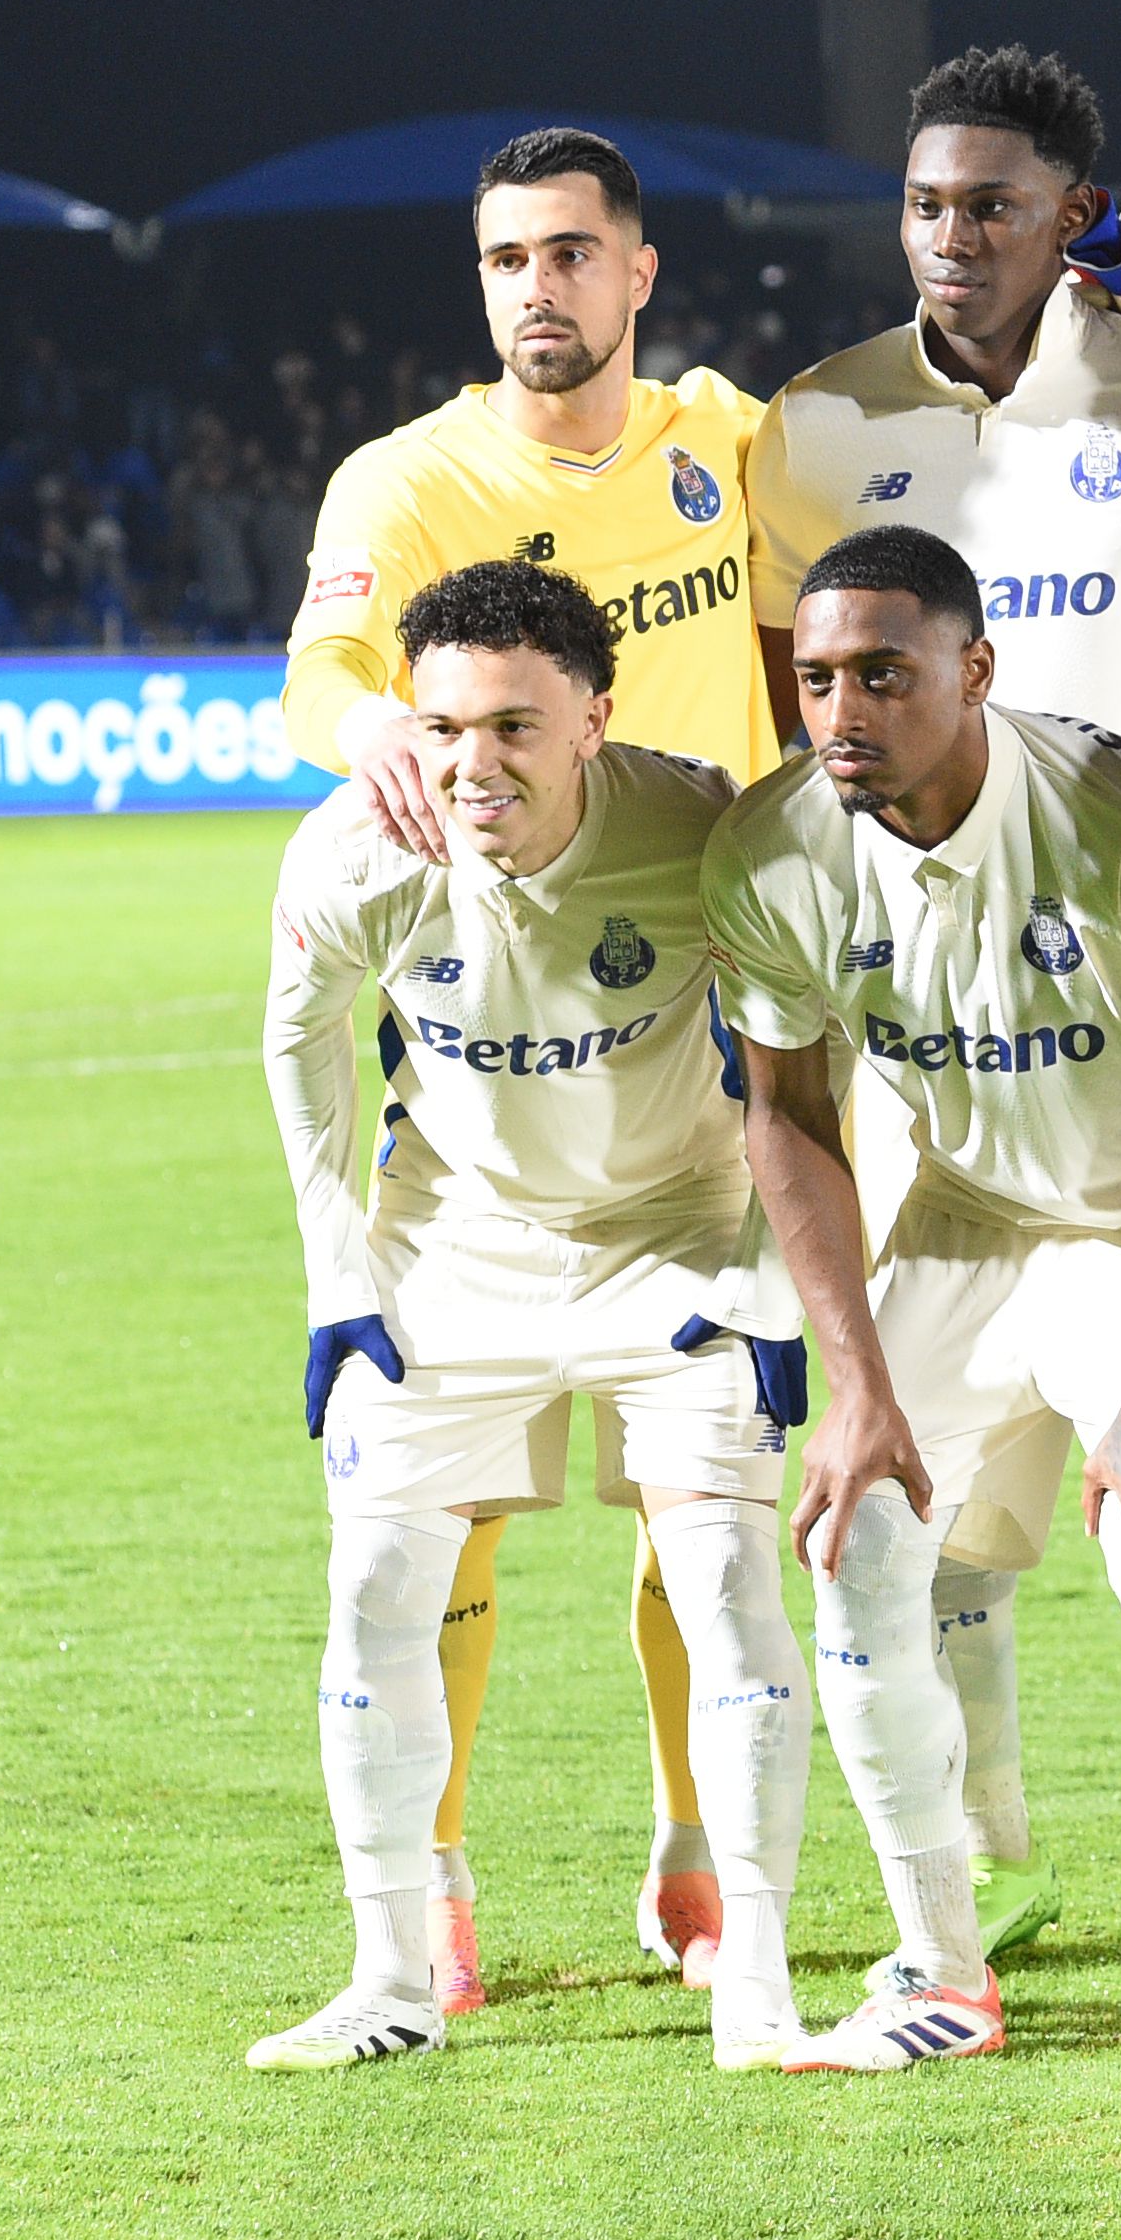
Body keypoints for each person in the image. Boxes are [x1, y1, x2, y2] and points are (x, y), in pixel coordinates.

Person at [744, 47, 1121, 1968]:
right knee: (933, 1501)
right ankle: (984, 1869)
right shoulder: (819, 425)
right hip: (922, 1016)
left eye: (993, 203)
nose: (951, 237)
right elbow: (795, 693)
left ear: (1076, 215)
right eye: (924, 203)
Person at [277, 127, 786, 2017]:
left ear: (639, 272)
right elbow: (321, 673)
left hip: (689, 1018)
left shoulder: (732, 443)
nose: (538, 290)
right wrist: (378, 757)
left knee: (702, 1495)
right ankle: (442, 1883)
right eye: (506, 262)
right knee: (444, 1498)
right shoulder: (410, 480)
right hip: (492, 1021)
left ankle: (693, 1855)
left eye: (573, 254)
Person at [696, 525, 1121, 2079]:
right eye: (817, 678)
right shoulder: (773, 850)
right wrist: (858, 1386)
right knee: (856, 1539)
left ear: (975, 672)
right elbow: (787, 1117)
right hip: (965, 1225)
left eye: (883, 675)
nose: (842, 711)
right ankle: (937, 1970)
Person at [247, 560, 808, 2072]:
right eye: (441, 727)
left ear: (593, 723)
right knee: (373, 1586)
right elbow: (297, 1047)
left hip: (672, 1238)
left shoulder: (701, 830)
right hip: (455, 1246)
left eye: (513, 726)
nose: (470, 764)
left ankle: (754, 1979)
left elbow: (813, 1051)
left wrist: (764, 1261)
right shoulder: (354, 851)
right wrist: (335, 1271)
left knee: (730, 1581)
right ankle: (391, 1976)